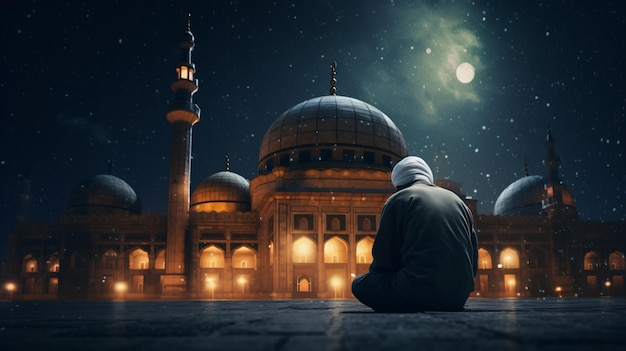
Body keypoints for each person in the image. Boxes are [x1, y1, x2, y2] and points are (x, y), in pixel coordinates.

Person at [352, 156, 478, 312]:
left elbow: (383, 261)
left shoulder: (398, 199)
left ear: (398, 184)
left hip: (416, 292)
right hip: (457, 297)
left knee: (359, 283)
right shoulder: (460, 203)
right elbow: (473, 260)